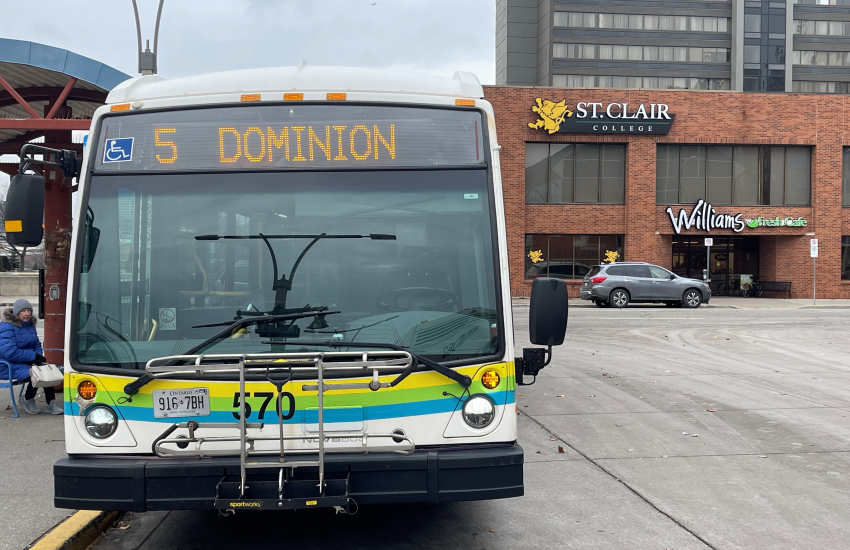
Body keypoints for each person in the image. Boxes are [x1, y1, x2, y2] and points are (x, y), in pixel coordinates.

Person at [0, 299, 61, 415]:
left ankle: (51, 403)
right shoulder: (7, 326)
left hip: (25, 361)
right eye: (23, 311)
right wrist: (33, 356)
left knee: (47, 371)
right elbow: (9, 352)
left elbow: (36, 344)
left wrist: (38, 357)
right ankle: (27, 399)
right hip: (8, 364)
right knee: (37, 374)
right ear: (17, 313)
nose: (27, 313)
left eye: (29, 310)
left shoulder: (30, 326)